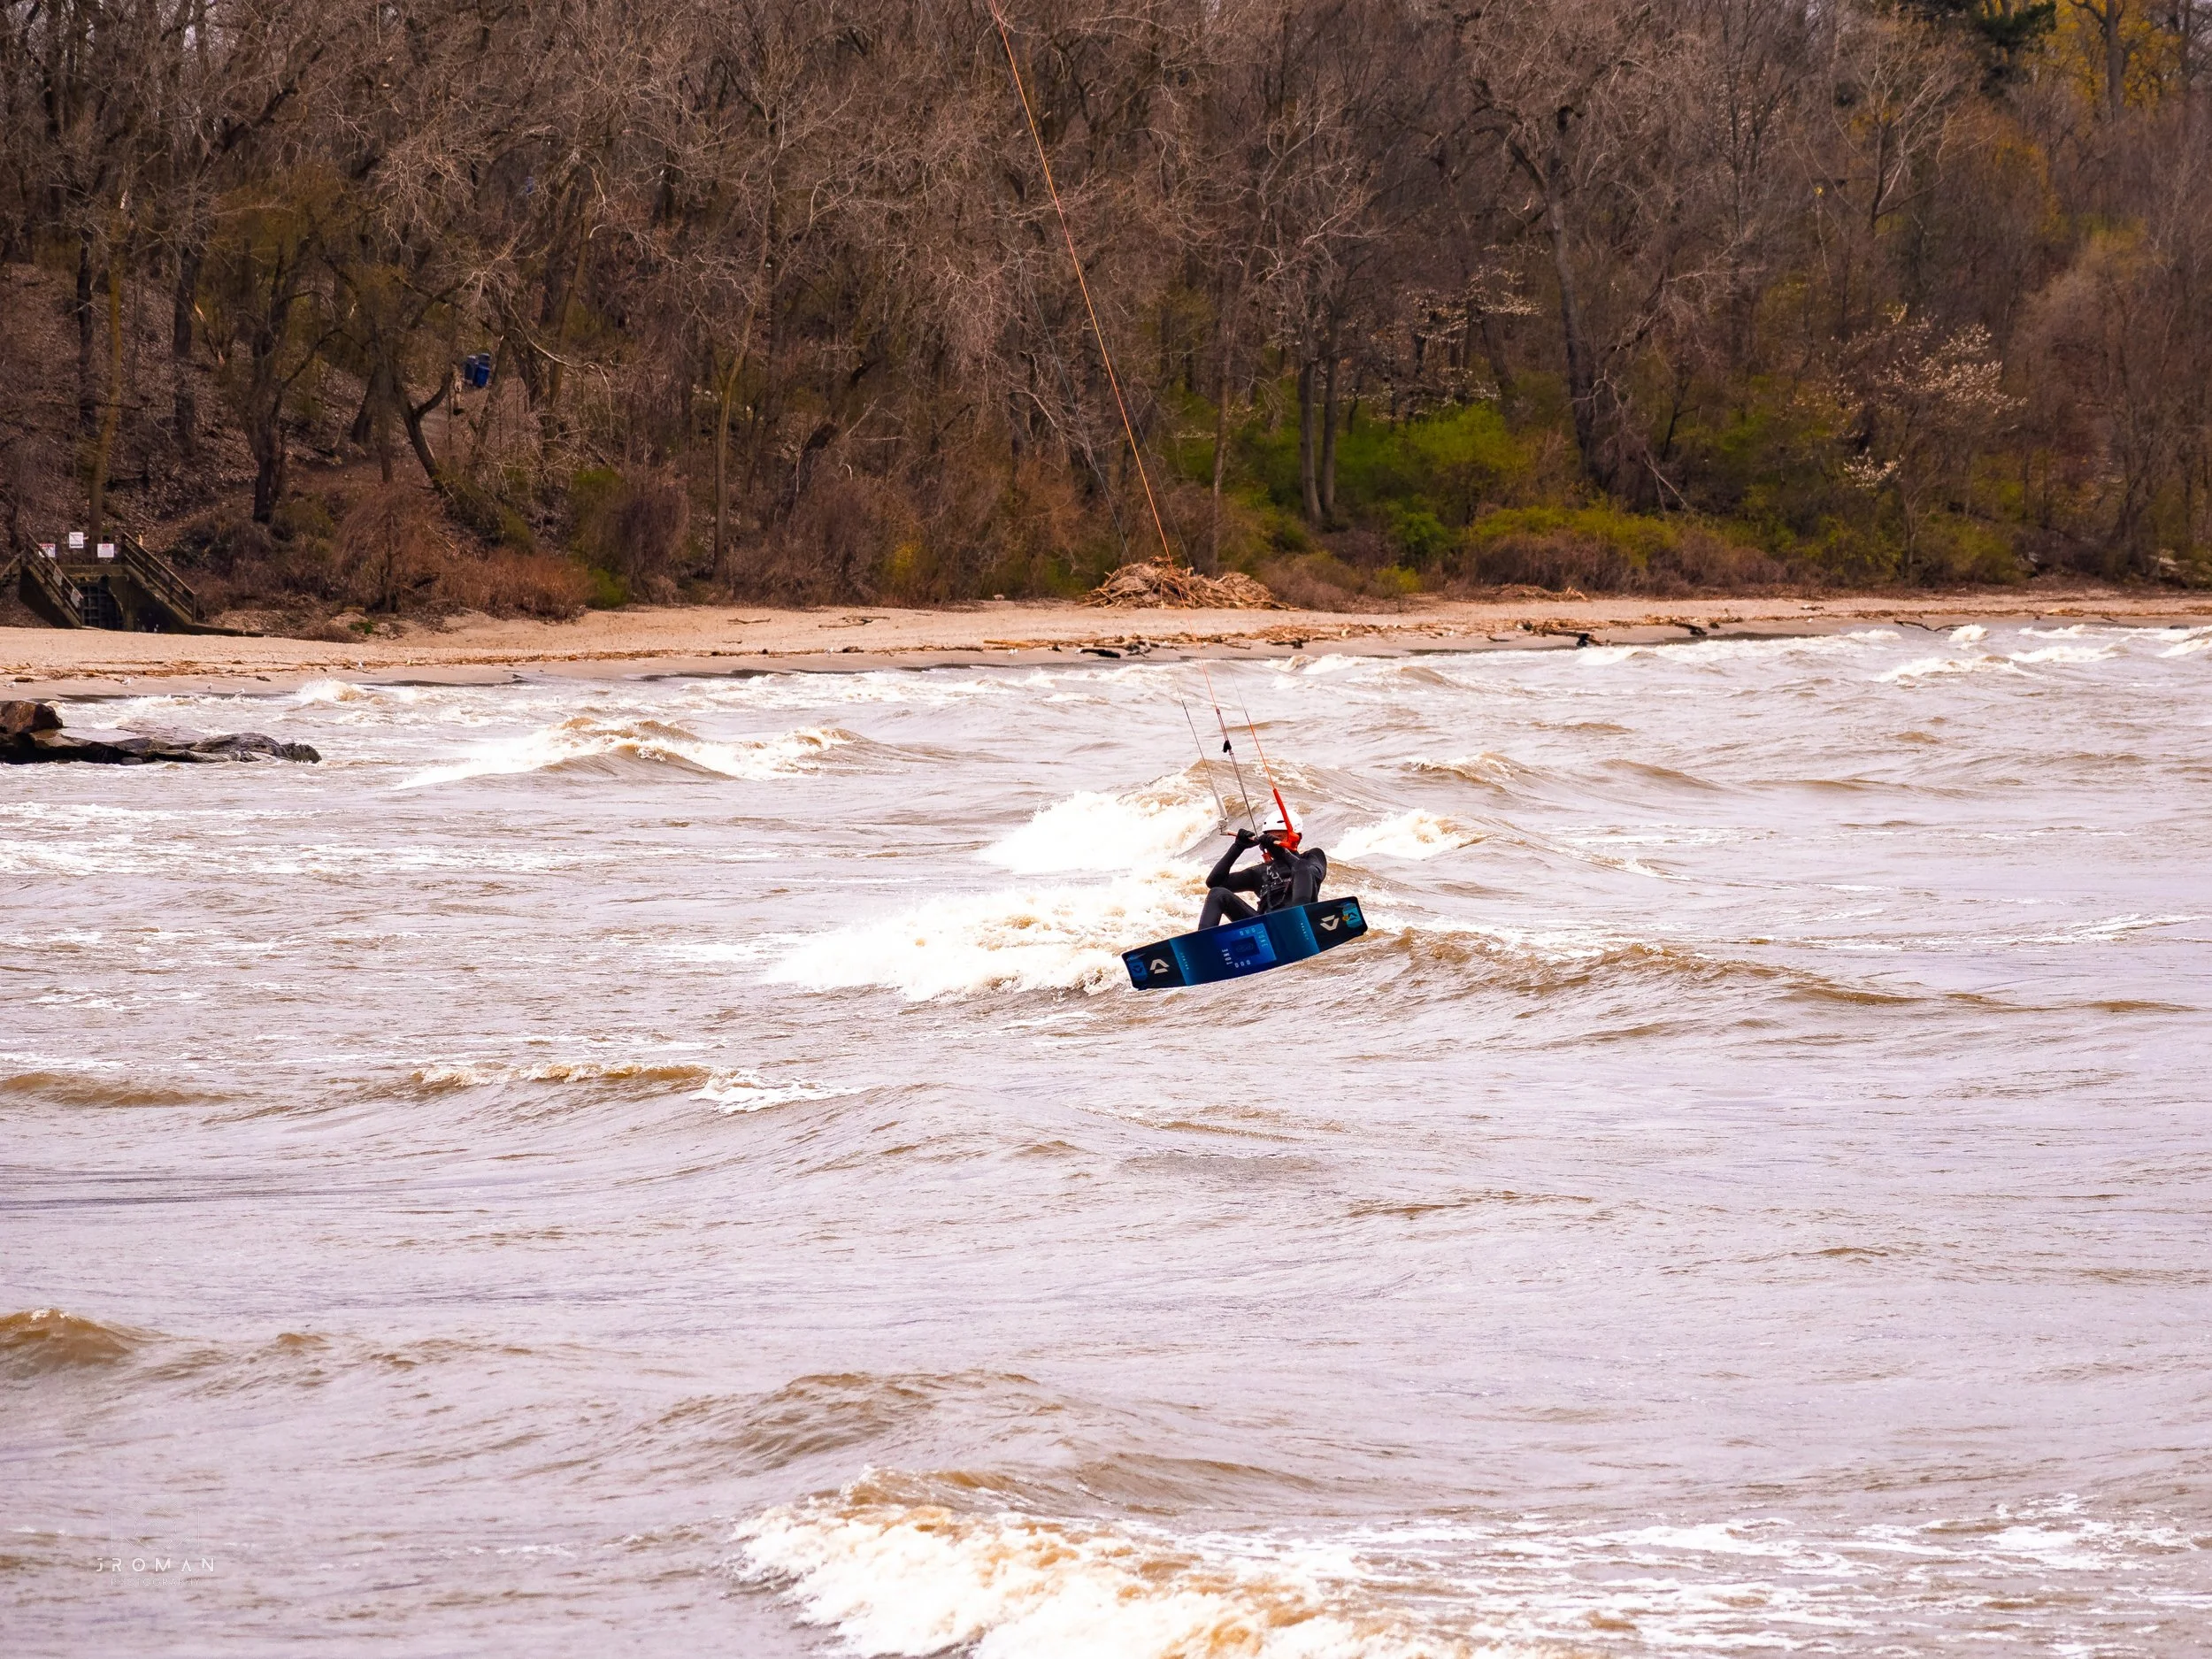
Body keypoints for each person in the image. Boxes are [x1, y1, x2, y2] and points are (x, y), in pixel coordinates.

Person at [1199, 826, 1326, 930]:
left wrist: (1283, 854)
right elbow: (1214, 882)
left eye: (1279, 837)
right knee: (1217, 893)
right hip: (1266, 927)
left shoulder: (1310, 857)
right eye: (1271, 838)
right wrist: (1238, 847)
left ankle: (1298, 922)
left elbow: (1315, 874)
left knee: (1301, 867)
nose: (1275, 842)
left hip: (1302, 922)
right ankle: (1201, 943)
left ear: (1296, 839)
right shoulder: (1258, 872)